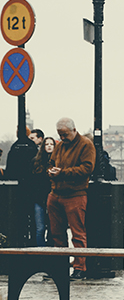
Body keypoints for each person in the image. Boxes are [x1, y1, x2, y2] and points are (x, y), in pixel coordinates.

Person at [48, 118, 95, 280]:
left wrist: (60, 173)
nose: (62, 138)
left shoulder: (86, 145)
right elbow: (52, 162)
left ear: (74, 130)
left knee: (77, 233)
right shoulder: (61, 145)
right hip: (57, 193)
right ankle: (61, 266)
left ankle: (79, 267)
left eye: (65, 134)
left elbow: (87, 168)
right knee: (56, 233)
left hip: (75, 194)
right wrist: (52, 170)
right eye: (60, 134)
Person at [30, 137, 55, 246]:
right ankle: (41, 252)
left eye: (51, 144)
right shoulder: (36, 161)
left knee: (52, 228)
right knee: (40, 228)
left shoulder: (58, 161)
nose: (49, 146)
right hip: (39, 198)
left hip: (53, 198)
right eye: (47, 144)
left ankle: (50, 252)